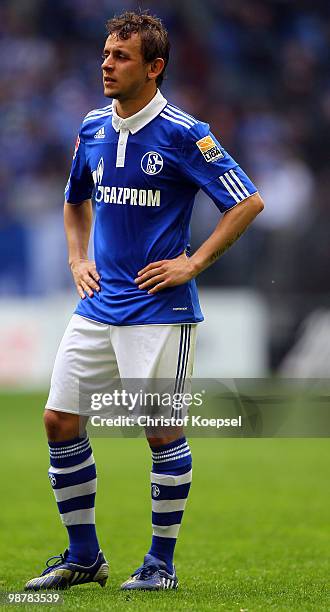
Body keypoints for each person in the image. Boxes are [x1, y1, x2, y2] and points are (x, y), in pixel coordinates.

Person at [25, 11, 264, 592]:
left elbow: (247, 201)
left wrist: (194, 261)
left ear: (154, 67)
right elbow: (74, 199)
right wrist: (78, 259)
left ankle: (160, 565)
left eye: (121, 56)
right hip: (98, 304)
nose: (106, 63)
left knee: (160, 432)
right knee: (59, 420)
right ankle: (85, 557)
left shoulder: (185, 131)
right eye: (106, 53)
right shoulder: (92, 126)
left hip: (159, 309)